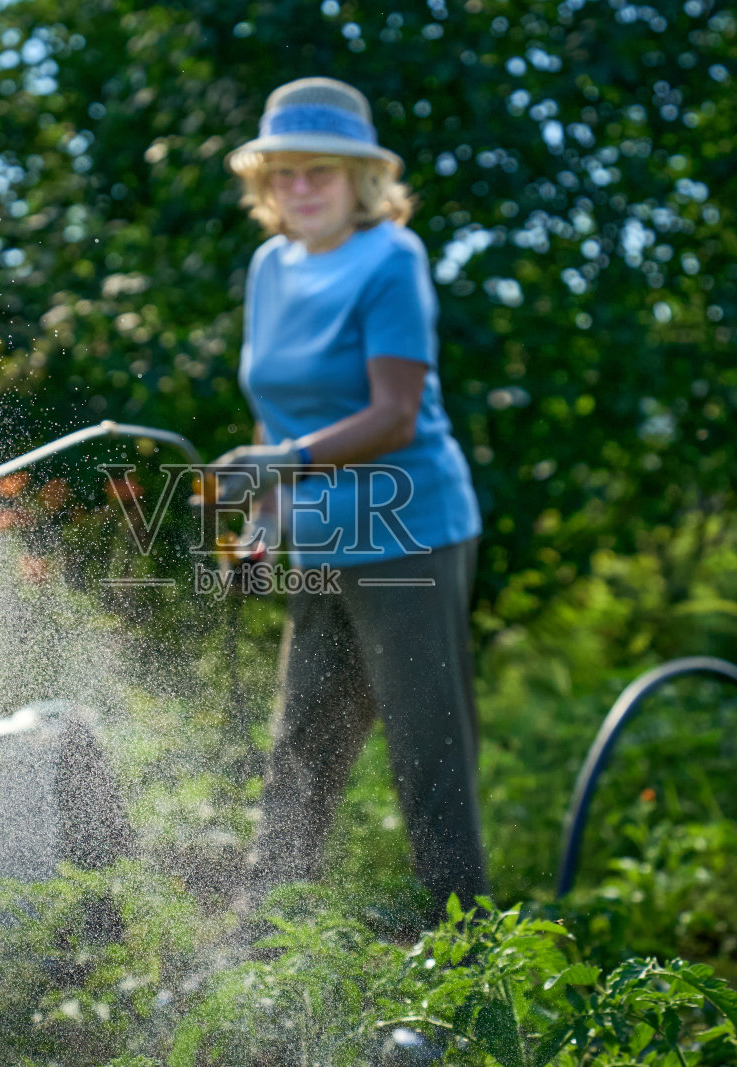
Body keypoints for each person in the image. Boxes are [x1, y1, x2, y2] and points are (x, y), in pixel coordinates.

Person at [213, 76, 489, 925]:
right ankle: (261, 947)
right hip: (321, 536)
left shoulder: (390, 258)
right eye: (285, 173)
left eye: (320, 171)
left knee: (426, 754)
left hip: (411, 531)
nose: (301, 188)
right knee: (302, 749)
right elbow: (274, 413)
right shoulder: (271, 266)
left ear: (360, 179)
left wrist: (285, 461)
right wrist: (261, 527)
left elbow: (395, 415)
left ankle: (469, 955)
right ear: (267, 182)